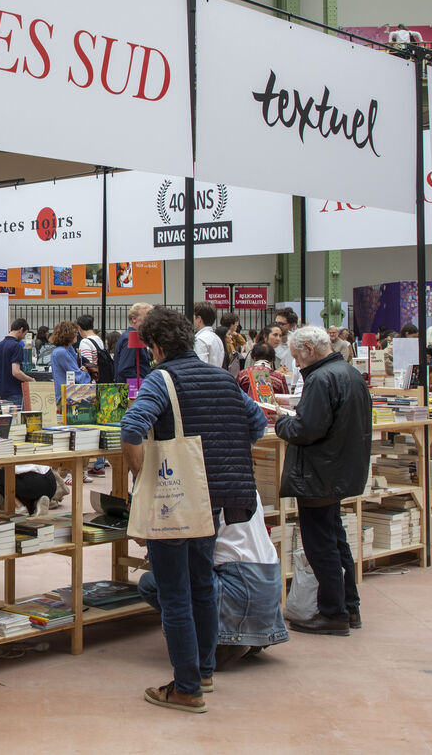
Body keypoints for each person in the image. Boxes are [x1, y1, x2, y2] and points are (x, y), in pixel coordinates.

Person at [119, 306, 266, 714]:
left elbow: (132, 427)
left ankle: (186, 688)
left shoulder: (162, 378)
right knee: (202, 584)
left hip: (174, 498)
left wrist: (141, 474)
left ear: (156, 346)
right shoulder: (223, 377)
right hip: (212, 498)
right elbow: (257, 424)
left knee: (174, 592)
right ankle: (204, 672)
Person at [275, 325, 372, 636]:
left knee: (320, 544)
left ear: (309, 349)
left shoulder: (320, 378)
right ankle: (349, 606)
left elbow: (308, 429)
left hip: (319, 472)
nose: (296, 364)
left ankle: (332, 613)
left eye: (297, 357)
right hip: (339, 468)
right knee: (335, 537)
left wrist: (281, 423)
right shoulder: (350, 373)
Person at [139, 492, 288, 669]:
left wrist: (150, 537)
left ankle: (221, 642)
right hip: (269, 581)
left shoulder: (199, 491)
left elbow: (185, 555)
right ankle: (249, 635)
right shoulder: (246, 485)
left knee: (152, 583)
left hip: (239, 583)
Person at [0, 318, 33, 407]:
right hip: (15, 392)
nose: (23, 337)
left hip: (1, 393)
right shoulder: (16, 346)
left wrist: (4, 373)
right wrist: (31, 380)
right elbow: (16, 372)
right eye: (25, 334)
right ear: (21, 329)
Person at [112, 303, 154, 387]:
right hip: (132, 389)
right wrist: (144, 384)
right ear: (134, 319)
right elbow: (125, 369)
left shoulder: (132, 336)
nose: (151, 321)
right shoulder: (130, 338)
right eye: (147, 318)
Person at [50, 320, 89, 404]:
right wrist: (87, 374)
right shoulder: (61, 352)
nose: (77, 335)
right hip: (67, 397)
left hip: (68, 395)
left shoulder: (66, 350)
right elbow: (76, 374)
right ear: (67, 334)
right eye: (74, 332)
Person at [193, 302, 225, 367]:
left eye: (193, 317)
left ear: (199, 319)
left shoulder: (200, 339)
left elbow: (200, 367)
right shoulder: (217, 338)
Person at [76, 314, 107, 379]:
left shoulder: (85, 342)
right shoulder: (99, 340)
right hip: (100, 376)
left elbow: (88, 365)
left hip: (91, 379)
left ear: (79, 328)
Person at [273, 308, 298, 372]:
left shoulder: (297, 342)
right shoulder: (267, 342)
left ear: (292, 325)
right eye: (276, 323)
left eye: (281, 324)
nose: (277, 326)